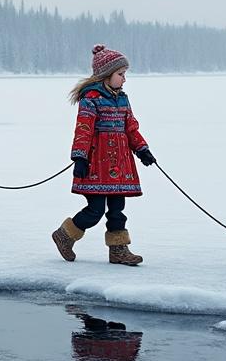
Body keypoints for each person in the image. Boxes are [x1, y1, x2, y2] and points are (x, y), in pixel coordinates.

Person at [52, 44, 157, 265]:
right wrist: (79, 157)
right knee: (95, 209)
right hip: (96, 164)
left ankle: (118, 250)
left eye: (124, 74)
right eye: (121, 74)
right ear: (106, 74)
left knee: (118, 209)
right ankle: (65, 235)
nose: (124, 79)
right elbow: (84, 129)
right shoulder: (91, 97)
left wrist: (142, 149)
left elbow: (131, 128)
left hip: (119, 165)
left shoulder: (122, 98)